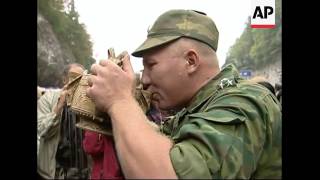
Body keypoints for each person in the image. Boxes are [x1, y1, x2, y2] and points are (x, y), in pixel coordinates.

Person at [86, 9, 282, 179]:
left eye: (151, 65)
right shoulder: (197, 107)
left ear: (190, 61)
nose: (144, 79)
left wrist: (120, 101)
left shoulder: (244, 103)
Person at [37, 63, 85, 179]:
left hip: (81, 172)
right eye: (73, 77)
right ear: (64, 79)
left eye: (81, 79)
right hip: (52, 172)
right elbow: (41, 130)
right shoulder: (47, 99)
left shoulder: (86, 103)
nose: (77, 82)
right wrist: (59, 107)